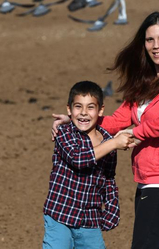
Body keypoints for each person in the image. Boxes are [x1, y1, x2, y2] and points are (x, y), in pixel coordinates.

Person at [52, 12, 159, 249]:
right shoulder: (143, 83)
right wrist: (77, 120)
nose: (156, 46)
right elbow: (115, 121)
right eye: (150, 40)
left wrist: (137, 133)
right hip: (146, 181)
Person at [43, 81, 134, 249]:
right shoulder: (65, 133)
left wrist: (112, 208)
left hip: (90, 219)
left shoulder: (107, 139)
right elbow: (79, 159)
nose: (83, 113)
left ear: (100, 111)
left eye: (90, 107)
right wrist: (114, 143)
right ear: (69, 110)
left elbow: (108, 178)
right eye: (78, 107)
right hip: (60, 213)